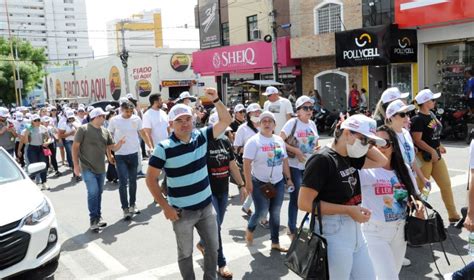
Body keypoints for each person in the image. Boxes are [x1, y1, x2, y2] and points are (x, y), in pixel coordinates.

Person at [145, 88, 232, 280]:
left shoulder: (201, 136)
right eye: (179, 120)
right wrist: (165, 207)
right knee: (185, 254)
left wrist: (216, 100)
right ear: (171, 123)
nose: (184, 124)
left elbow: (226, 121)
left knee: (213, 248)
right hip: (182, 213)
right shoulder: (163, 148)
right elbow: (150, 179)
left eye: (187, 119)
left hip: (206, 207)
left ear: (193, 120)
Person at [298, 114, 388, 280]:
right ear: (347, 133)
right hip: (332, 231)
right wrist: (348, 210)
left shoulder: (351, 157)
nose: (366, 145)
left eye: (368, 142)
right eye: (364, 140)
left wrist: (364, 143)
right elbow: (304, 203)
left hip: (355, 231)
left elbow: (381, 160)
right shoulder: (322, 159)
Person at [360, 125, 424, 279]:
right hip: (374, 232)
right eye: (374, 143)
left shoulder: (404, 169)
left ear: (394, 147)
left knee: (392, 274)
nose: (379, 147)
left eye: (384, 143)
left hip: (400, 231)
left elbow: (414, 195)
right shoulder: (364, 170)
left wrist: (417, 204)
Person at [196, 126, 247, 278]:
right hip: (208, 191)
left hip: (223, 191)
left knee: (217, 225)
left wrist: (241, 185)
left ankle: (203, 243)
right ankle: (221, 263)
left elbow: (232, 165)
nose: (225, 131)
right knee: (215, 227)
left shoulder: (225, 142)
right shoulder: (202, 143)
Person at [243, 111, 293, 252]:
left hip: (277, 182)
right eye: (263, 121)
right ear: (259, 124)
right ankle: (250, 228)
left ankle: (275, 242)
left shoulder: (279, 140)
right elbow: (246, 164)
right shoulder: (254, 141)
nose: (267, 123)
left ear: (274, 124)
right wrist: (248, 183)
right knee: (261, 211)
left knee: (275, 212)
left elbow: (284, 161)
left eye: (270, 121)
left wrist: (288, 179)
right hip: (259, 182)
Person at [411, 89, 461, 222]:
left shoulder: (432, 115)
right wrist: (432, 151)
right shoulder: (417, 119)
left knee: (446, 184)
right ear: (425, 102)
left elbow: (434, 135)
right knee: (422, 189)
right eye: (432, 100)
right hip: (424, 158)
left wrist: (439, 146)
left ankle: (453, 214)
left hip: (436, 156)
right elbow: (417, 140)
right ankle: (417, 218)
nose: (435, 102)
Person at [72, 108, 125, 230]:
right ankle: (93, 219)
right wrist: (75, 165)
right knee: (93, 192)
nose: (105, 118)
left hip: (101, 168)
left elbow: (112, 148)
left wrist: (119, 144)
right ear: (96, 117)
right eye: (103, 116)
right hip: (86, 167)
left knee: (98, 193)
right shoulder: (83, 129)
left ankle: (98, 216)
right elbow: (75, 147)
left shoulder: (105, 131)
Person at [280, 95, 319, 239]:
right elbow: (279, 141)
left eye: (311, 108)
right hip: (294, 165)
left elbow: (315, 142)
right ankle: (291, 228)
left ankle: (311, 226)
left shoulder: (312, 124)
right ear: (298, 110)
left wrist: (316, 149)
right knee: (296, 197)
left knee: (312, 197)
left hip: (309, 165)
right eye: (305, 108)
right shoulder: (292, 122)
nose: (309, 110)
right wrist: (296, 151)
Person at [108, 101, 153, 220]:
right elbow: (108, 137)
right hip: (120, 155)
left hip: (133, 154)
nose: (128, 114)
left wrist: (149, 146)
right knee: (123, 183)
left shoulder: (136, 119)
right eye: (126, 111)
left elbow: (142, 133)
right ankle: (125, 208)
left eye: (130, 111)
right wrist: (109, 154)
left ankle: (132, 204)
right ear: (121, 110)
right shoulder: (114, 120)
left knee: (133, 181)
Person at [233, 103, 264, 222]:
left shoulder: (264, 125)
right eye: (254, 112)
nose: (257, 114)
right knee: (257, 188)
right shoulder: (243, 128)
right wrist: (249, 149)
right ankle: (262, 217)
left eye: (259, 112)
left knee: (258, 188)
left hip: (264, 163)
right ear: (249, 114)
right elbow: (236, 147)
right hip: (249, 163)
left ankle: (247, 207)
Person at [18, 114, 52, 190]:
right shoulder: (29, 129)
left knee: (44, 165)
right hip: (32, 148)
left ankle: (44, 183)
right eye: (35, 120)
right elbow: (26, 142)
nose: (37, 122)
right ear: (32, 122)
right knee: (34, 166)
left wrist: (47, 142)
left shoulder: (43, 128)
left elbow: (49, 138)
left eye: (38, 120)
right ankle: (35, 183)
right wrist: (27, 132)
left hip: (41, 148)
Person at [58, 110, 82, 182]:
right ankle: (76, 173)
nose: (71, 119)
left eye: (72, 118)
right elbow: (60, 135)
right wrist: (70, 134)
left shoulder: (77, 121)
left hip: (77, 141)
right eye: (69, 118)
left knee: (78, 157)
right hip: (68, 141)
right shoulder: (63, 123)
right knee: (73, 157)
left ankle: (77, 171)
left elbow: (81, 130)